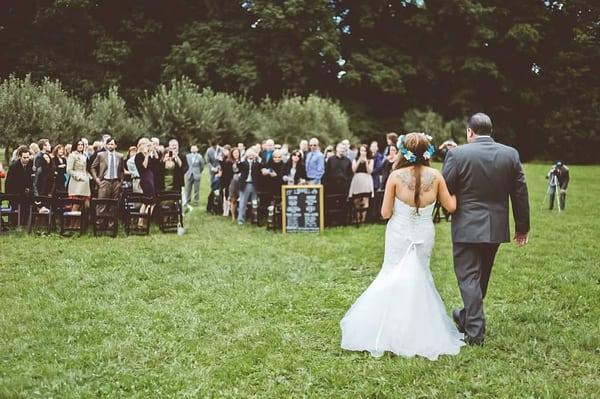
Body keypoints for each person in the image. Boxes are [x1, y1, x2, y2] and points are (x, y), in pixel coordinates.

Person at [340, 132, 464, 360]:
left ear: (404, 151)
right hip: (424, 233)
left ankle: (389, 327)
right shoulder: (436, 176)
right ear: (427, 151)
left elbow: (385, 213)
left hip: (398, 232)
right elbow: (452, 207)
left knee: (393, 273)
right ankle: (418, 328)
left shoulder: (395, 176)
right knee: (420, 275)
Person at [442, 113, 530, 346]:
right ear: (489, 131)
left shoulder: (457, 154)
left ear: (470, 132)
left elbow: (445, 187)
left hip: (466, 225)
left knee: (469, 277)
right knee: (481, 276)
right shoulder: (510, 154)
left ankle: (475, 332)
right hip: (495, 226)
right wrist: (522, 227)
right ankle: (465, 316)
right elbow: (519, 192)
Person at [91, 137, 125, 223]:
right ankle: (99, 223)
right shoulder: (101, 155)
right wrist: (97, 179)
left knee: (114, 204)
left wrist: (120, 181)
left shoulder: (120, 156)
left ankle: (111, 224)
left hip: (116, 181)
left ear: (115, 145)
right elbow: (93, 167)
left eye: (112, 144)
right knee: (102, 203)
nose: (110, 146)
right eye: (108, 144)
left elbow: (121, 170)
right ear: (106, 145)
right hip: (105, 181)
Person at [5, 148, 33, 225]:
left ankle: (25, 223)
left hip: (27, 191)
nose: (27, 159)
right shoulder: (14, 167)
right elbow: (10, 182)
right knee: (16, 209)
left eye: (28, 157)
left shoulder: (31, 164)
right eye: (24, 157)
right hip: (15, 191)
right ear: (20, 157)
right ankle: (14, 223)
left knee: (26, 207)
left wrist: (29, 189)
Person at [348, 144, 374, 223]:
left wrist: (366, 162)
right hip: (357, 180)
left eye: (364, 150)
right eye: (361, 150)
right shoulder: (355, 159)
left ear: (367, 151)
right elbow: (354, 170)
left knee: (366, 199)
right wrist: (359, 160)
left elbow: (370, 171)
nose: (363, 152)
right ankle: (357, 218)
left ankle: (363, 219)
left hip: (366, 180)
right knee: (356, 199)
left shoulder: (371, 160)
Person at [66, 139, 91, 218]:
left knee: (85, 205)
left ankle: (79, 224)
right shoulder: (72, 155)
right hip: (77, 182)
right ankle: (72, 224)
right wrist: (78, 177)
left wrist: (89, 177)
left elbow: (85, 169)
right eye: (79, 145)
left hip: (85, 182)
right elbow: (69, 170)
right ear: (75, 146)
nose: (80, 146)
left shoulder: (83, 156)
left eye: (82, 145)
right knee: (76, 203)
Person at [135, 138, 157, 227]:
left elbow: (156, 160)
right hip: (145, 179)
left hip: (150, 178)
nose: (146, 146)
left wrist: (153, 149)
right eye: (144, 144)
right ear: (140, 145)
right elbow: (144, 167)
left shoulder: (147, 155)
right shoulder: (138, 156)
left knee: (150, 201)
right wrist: (147, 154)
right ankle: (142, 221)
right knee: (148, 201)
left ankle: (144, 221)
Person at [237, 148, 262, 225]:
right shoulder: (243, 163)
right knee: (242, 203)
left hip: (254, 184)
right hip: (245, 184)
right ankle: (241, 219)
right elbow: (239, 165)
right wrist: (244, 156)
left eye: (252, 154)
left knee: (254, 203)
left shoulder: (256, 163)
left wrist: (257, 157)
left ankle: (254, 218)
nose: (251, 156)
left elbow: (262, 165)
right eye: (250, 154)